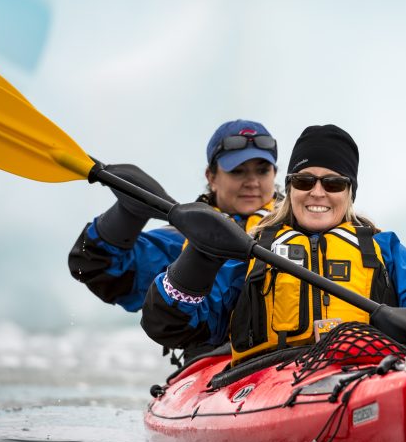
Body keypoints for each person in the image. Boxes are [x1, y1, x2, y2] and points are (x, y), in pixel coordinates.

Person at [141, 124, 406, 364]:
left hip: (364, 370)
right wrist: (199, 257)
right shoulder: (252, 249)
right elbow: (177, 327)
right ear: (290, 187)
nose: (318, 192)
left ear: (350, 192)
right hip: (268, 376)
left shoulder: (382, 247)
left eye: (334, 183)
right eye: (305, 181)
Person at [68, 120, 281, 352]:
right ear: (211, 176)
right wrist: (127, 214)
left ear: (275, 173)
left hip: (292, 360)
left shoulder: (300, 234)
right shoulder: (180, 242)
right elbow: (93, 265)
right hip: (214, 364)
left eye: (262, 170)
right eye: (237, 171)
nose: (252, 182)